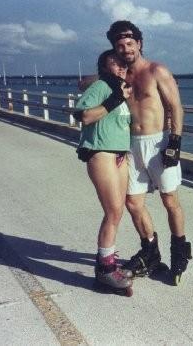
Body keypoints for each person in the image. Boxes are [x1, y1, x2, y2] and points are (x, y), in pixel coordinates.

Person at [106, 20, 192, 285]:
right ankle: (150, 252)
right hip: (131, 145)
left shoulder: (156, 71)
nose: (126, 49)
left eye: (130, 43)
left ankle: (180, 253)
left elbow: (176, 107)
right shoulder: (118, 77)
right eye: (120, 45)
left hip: (159, 143)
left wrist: (175, 142)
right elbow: (82, 84)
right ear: (115, 49)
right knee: (133, 203)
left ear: (139, 44)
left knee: (169, 200)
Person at [74, 49, 134, 295]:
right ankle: (105, 271)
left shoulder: (121, 88)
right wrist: (114, 100)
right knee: (113, 211)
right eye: (115, 64)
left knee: (117, 212)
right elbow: (83, 115)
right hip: (101, 153)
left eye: (123, 64)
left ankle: (107, 262)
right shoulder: (102, 87)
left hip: (119, 154)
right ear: (104, 68)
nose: (120, 67)